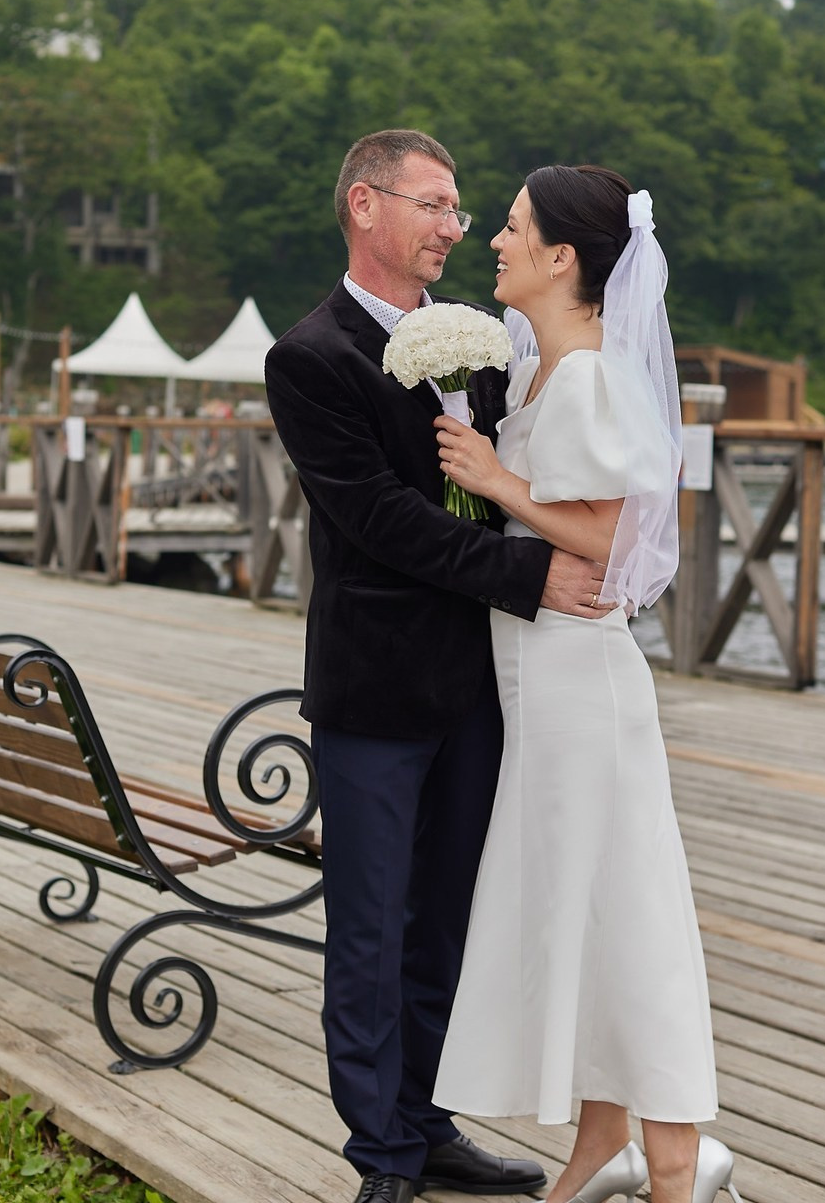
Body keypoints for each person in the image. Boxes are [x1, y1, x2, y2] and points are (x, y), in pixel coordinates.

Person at [264, 130, 611, 1203]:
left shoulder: (480, 344)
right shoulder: (309, 356)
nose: (452, 228)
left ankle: (428, 1120)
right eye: (433, 204)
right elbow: (376, 523)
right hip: (373, 686)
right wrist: (525, 572)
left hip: (479, 683)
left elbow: (526, 467)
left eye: (461, 211)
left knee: (444, 919)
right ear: (365, 207)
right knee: (366, 927)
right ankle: (380, 1154)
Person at [431, 165, 744, 1203]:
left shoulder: (590, 378)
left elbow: (607, 541)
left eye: (512, 227)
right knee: (583, 908)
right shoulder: (537, 369)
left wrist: (490, 479)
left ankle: (671, 1159)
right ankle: (595, 1151)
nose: (494, 241)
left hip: (580, 683)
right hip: (538, 682)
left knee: (624, 912)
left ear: (563, 257)